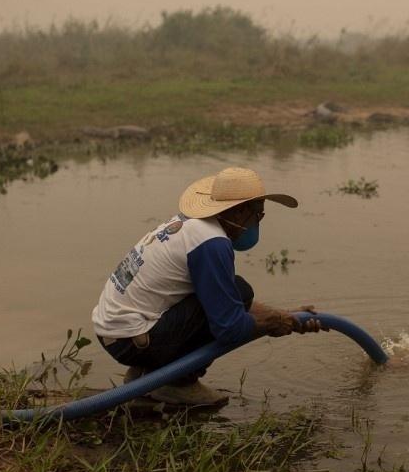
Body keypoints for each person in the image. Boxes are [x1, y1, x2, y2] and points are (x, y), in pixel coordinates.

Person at [91, 166, 322, 407]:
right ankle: (178, 383)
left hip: (119, 334)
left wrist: (285, 315)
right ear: (241, 211)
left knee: (238, 291)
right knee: (239, 295)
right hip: (133, 340)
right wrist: (273, 324)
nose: (259, 222)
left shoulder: (193, 226)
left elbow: (223, 298)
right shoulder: (212, 243)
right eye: (259, 215)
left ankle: (146, 375)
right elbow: (230, 328)